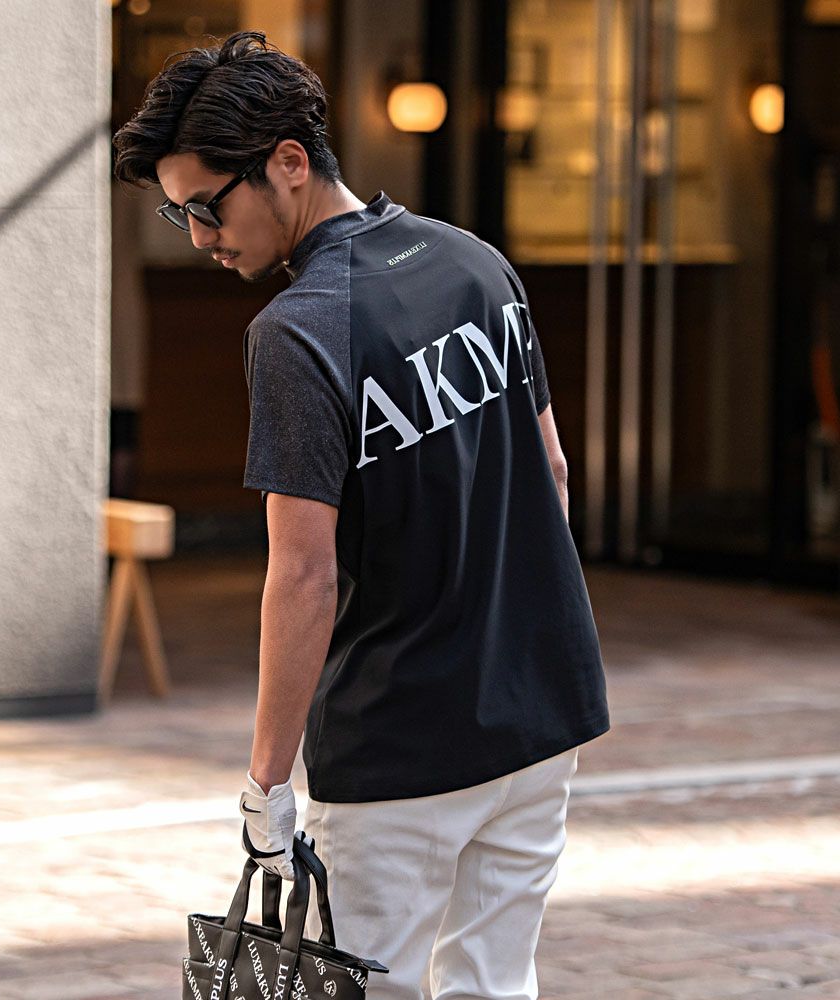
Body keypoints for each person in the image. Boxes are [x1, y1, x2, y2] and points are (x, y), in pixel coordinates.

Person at [113, 30, 609, 1000]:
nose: (202, 237)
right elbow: (548, 471)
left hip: (400, 740)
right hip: (541, 710)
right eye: (180, 214)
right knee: (495, 983)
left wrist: (266, 785)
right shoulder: (474, 261)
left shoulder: (300, 330)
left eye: (207, 207)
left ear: (288, 163)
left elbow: (304, 574)